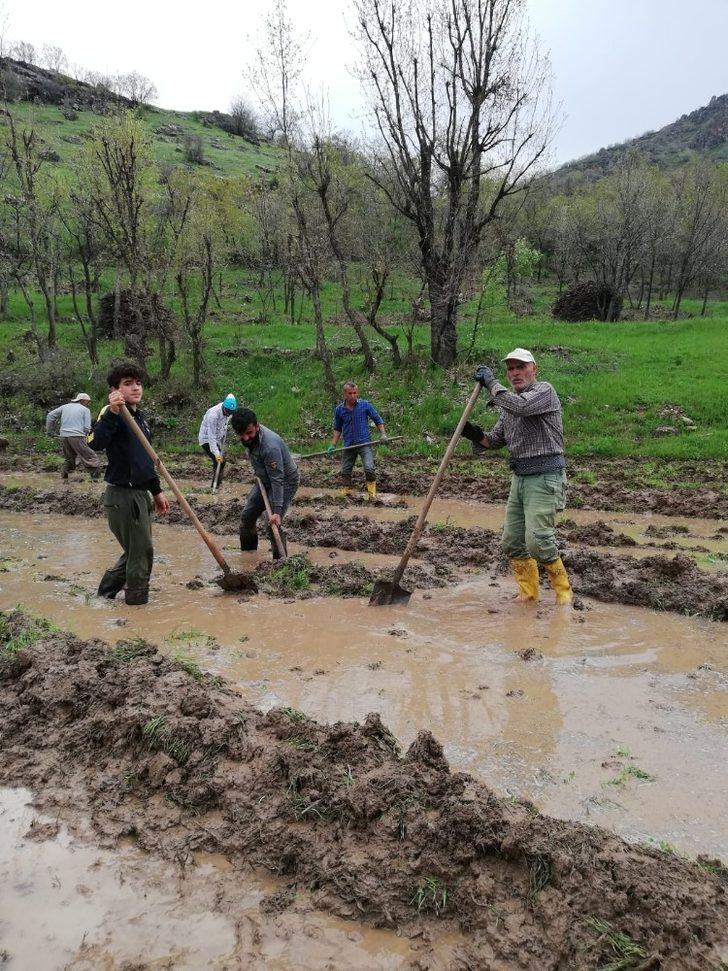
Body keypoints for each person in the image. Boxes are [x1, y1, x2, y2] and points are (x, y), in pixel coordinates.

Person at [462, 348, 572, 605]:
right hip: (519, 478)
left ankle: (564, 594)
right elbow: (494, 441)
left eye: (520, 367)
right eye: (510, 369)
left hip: (545, 477)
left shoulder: (544, 392)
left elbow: (522, 407)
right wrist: (474, 434)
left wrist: (491, 384)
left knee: (538, 542)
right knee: (512, 541)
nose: (515, 373)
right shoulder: (509, 406)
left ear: (534, 368)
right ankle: (528, 594)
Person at [87, 362, 170, 605]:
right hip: (123, 495)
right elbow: (94, 442)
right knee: (141, 552)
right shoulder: (112, 413)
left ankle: (104, 593)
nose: (135, 388)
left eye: (138, 383)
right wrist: (112, 412)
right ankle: (136, 603)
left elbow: (147, 459)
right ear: (115, 389)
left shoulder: (139, 418)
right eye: (128, 384)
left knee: (139, 550)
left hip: (140, 493)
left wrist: (156, 491)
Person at [231, 407, 299, 559]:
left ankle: (280, 562)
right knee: (247, 517)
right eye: (242, 435)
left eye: (249, 433)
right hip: (264, 479)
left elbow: (278, 480)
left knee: (272, 522)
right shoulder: (249, 439)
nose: (246, 438)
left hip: (285, 480)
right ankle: (248, 557)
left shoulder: (270, 446)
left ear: (257, 426)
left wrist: (277, 511)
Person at [328, 382, 387, 499]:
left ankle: (372, 493)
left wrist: (383, 434)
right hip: (349, 444)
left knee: (369, 468)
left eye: (355, 393)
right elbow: (337, 428)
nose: (353, 396)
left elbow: (377, 419)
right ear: (345, 394)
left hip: (364, 443)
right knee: (345, 470)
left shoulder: (365, 405)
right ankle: (347, 491)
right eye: (350, 393)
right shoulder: (339, 410)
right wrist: (333, 445)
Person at [45, 393, 101, 480]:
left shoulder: (65, 407)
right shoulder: (85, 410)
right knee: (90, 456)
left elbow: (50, 416)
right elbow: (86, 427)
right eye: (88, 402)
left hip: (64, 436)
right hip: (77, 436)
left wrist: (50, 431)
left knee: (69, 457)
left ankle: (65, 477)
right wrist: (86, 437)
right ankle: (95, 478)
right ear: (83, 401)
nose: (88, 403)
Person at [198, 394, 237, 489]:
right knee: (220, 461)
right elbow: (211, 437)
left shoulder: (228, 411)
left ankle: (216, 485)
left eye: (230, 413)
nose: (229, 415)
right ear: (224, 407)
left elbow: (223, 427)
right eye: (228, 412)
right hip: (206, 439)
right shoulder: (213, 415)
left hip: (217, 440)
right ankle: (214, 486)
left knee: (221, 461)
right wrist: (217, 454)